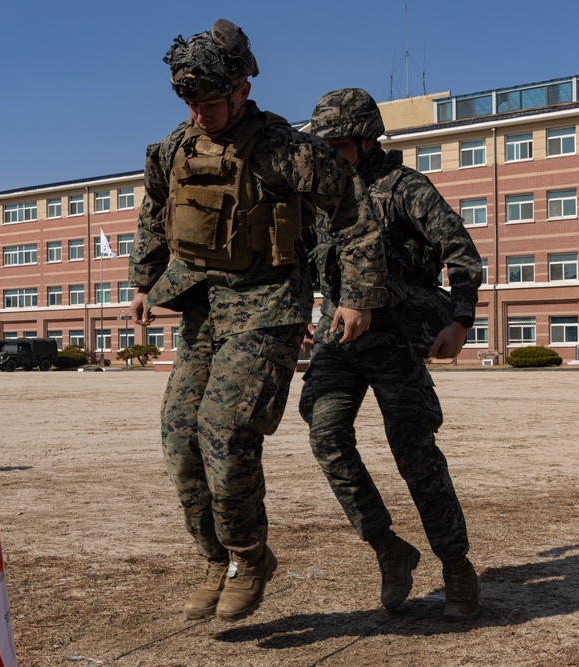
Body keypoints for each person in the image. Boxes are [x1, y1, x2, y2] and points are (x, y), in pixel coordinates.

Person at [127, 20, 388, 623]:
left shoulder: (285, 148)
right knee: (180, 437)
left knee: (225, 432)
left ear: (243, 90)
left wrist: (357, 295)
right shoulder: (177, 147)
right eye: (191, 104)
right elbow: (155, 208)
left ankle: (249, 556)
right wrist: (143, 280)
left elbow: (354, 211)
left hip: (267, 304)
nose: (200, 116)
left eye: (211, 103)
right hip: (199, 302)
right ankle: (216, 558)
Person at [299, 88, 483, 622]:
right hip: (340, 335)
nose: (328, 154)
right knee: (326, 436)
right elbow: (301, 265)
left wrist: (460, 320)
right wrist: (298, 324)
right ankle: (388, 547)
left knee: (414, 454)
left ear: (364, 138)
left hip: (399, 334)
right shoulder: (322, 198)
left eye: (337, 144)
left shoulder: (406, 189)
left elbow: (460, 253)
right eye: (323, 145)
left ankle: (455, 566)